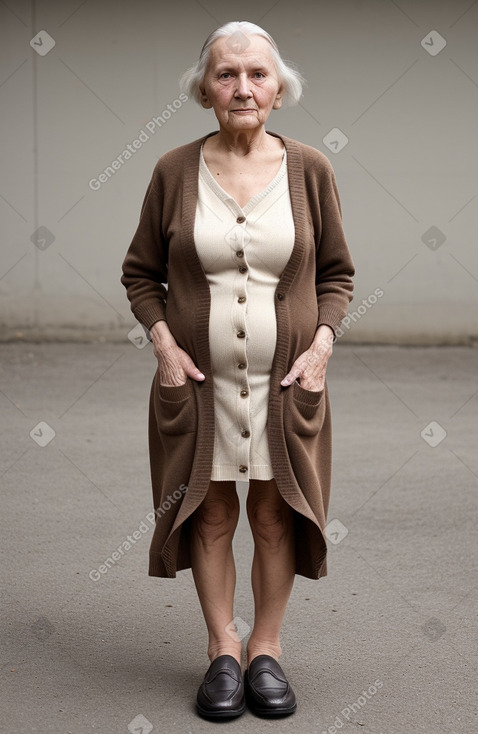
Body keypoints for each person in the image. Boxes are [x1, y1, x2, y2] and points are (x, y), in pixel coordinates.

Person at [121, 20, 354, 720]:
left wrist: (319, 348)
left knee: (276, 514)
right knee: (213, 512)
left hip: (287, 388)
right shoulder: (172, 170)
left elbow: (338, 274)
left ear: (278, 89)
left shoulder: (311, 169)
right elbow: (140, 275)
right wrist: (164, 345)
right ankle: (222, 650)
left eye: (256, 74)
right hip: (198, 388)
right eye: (226, 74)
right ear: (204, 90)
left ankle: (267, 651)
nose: (242, 86)